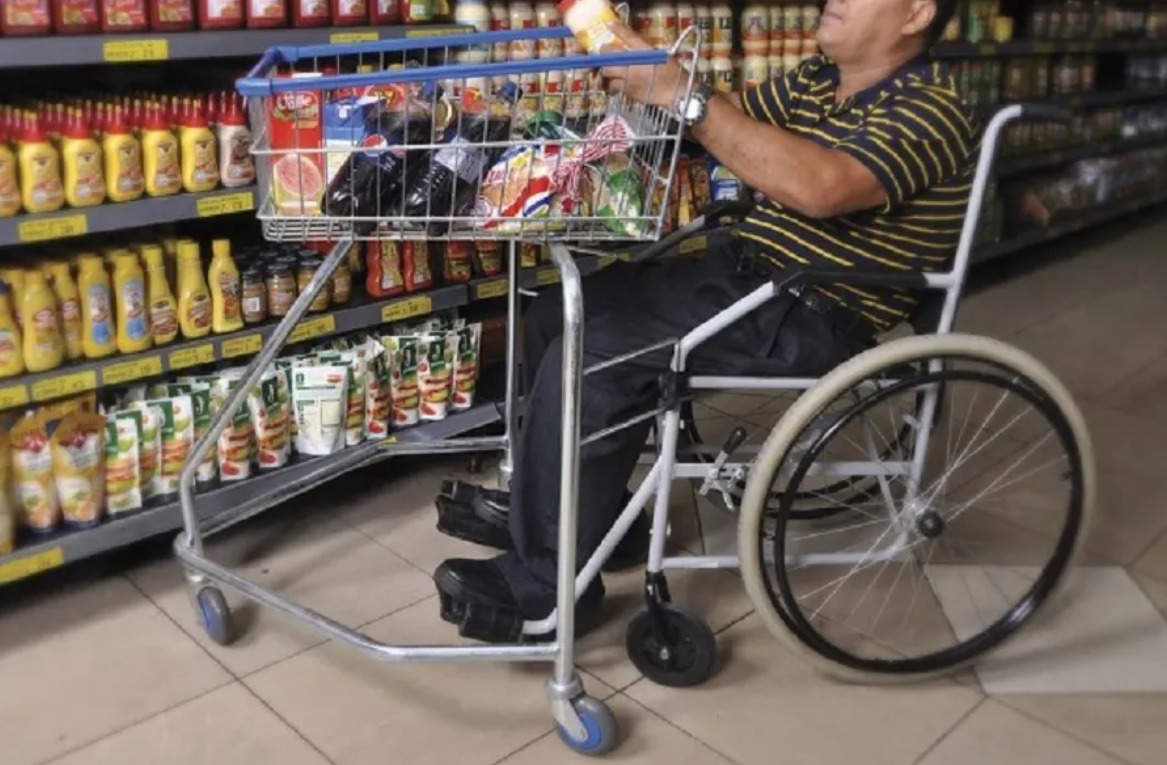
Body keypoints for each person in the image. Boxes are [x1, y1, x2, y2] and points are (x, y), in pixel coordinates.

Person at [432, 0, 976, 642]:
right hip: (747, 270)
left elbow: (821, 187)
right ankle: (587, 517)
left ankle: (549, 588)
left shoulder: (934, 108)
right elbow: (728, 124)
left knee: (599, 350)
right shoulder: (815, 79)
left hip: (811, 307)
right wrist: (645, 80)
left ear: (916, 14)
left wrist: (681, 93)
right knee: (557, 312)